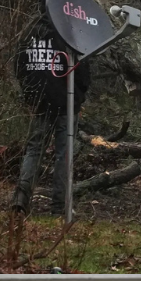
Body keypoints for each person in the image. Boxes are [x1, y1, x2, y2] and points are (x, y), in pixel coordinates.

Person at [12, 16, 90, 216]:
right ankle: (59, 207)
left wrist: (30, 95)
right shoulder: (69, 35)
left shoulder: (28, 35)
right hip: (66, 102)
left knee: (34, 150)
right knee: (64, 154)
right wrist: (79, 95)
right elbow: (83, 73)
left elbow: (19, 68)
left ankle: (21, 199)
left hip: (39, 102)